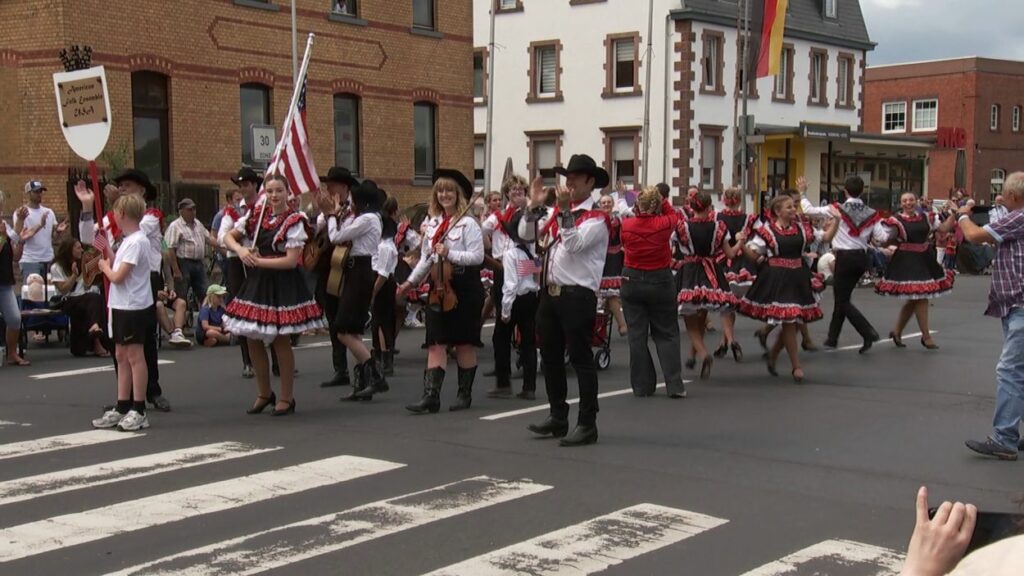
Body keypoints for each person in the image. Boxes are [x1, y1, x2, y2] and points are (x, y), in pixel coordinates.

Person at [524, 154, 611, 447]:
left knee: (580, 358)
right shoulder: (559, 213)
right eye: (567, 177)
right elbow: (526, 235)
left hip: (577, 294)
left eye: (574, 178)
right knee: (550, 358)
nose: (568, 182)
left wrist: (562, 211)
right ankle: (557, 415)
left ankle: (587, 423)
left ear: (590, 181)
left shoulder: (597, 218)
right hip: (550, 292)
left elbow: (573, 245)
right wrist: (532, 207)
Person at [222, 174, 326, 416]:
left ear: (288, 192)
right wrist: (241, 250)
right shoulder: (257, 216)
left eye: (279, 190)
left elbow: (291, 260)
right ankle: (264, 392)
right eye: (270, 191)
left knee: (280, 339)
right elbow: (228, 236)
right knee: (252, 337)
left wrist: (258, 261)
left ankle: (287, 397)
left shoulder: (295, 220)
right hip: (258, 282)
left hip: (282, 282)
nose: (274, 195)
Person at [76, 171, 172, 412]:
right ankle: (125, 397)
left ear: (142, 190)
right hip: (117, 281)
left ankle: (151, 391)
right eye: (120, 186)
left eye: (127, 186)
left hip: (142, 281)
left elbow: (128, 231)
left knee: (143, 340)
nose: (122, 189)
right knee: (118, 343)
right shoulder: (113, 217)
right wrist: (87, 209)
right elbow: (91, 238)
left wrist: (114, 207)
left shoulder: (149, 216)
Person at [398, 169, 485, 414]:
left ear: (458, 194)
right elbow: (427, 259)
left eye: (449, 190)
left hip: (464, 286)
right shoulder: (433, 223)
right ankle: (431, 396)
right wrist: (410, 283)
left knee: (464, 343)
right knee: (435, 341)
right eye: (440, 190)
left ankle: (464, 394)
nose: (444, 194)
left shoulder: (468, 224)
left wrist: (450, 253)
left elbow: (477, 257)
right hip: (438, 286)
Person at [956, 171, 1024, 461]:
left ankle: (1004, 438)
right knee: (1019, 371)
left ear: (1013, 196)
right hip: (1014, 304)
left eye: (1005, 194)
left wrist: (962, 214)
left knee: (1009, 371)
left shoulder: (1019, 217)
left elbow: (973, 235)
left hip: (1020, 304)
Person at [740, 195, 838, 382]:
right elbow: (754, 255)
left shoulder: (802, 228)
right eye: (789, 207)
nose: (793, 210)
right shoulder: (767, 231)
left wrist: (837, 221)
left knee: (792, 321)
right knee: (790, 320)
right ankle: (796, 366)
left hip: (798, 276)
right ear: (778, 211)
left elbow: (826, 237)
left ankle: (774, 355)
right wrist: (742, 245)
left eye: (794, 206)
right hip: (777, 279)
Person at [799, 175, 887, 353]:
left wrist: (803, 193)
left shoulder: (836, 209)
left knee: (842, 299)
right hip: (862, 258)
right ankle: (832, 338)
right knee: (843, 297)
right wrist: (869, 237)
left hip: (844, 258)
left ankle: (867, 332)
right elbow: (883, 237)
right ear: (862, 191)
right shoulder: (871, 213)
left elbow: (809, 210)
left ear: (845, 191)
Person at [91, 194, 154, 432]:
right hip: (120, 305)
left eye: (116, 212)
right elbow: (118, 262)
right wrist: (105, 248)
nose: (114, 216)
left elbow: (118, 276)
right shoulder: (128, 241)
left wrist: (104, 268)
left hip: (133, 306)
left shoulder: (138, 241)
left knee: (135, 356)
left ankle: (139, 408)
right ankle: (122, 405)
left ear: (123, 214)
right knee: (120, 355)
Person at [321, 179, 387, 401]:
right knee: (354, 331)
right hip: (356, 270)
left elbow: (336, 237)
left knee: (342, 330)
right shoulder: (368, 218)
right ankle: (361, 384)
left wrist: (332, 215)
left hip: (359, 271)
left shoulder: (367, 219)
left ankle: (376, 375)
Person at [619, 186, 686, 398]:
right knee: (667, 332)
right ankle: (674, 385)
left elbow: (623, 243)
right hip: (660, 278)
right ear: (657, 205)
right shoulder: (663, 224)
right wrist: (660, 200)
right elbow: (674, 214)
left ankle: (642, 386)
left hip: (632, 278)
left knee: (636, 335)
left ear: (638, 205)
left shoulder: (627, 225)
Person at [675, 191, 743, 380]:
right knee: (702, 312)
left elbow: (672, 249)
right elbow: (730, 254)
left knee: (689, 316)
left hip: (689, 272)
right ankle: (694, 354)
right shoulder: (718, 227)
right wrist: (741, 242)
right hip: (711, 272)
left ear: (691, 207)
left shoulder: (682, 227)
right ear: (709, 207)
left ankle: (703, 354)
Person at [876, 192, 958, 349]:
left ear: (916, 201)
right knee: (920, 297)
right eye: (905, 200)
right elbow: (884, 238)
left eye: (911, 200)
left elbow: (944, 228)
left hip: (924, 259)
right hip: (906, 261)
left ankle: (897, 331)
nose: (908, 203)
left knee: (915, 298)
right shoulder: (896, 221)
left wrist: (954, 214)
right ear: (901, 203)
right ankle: (926, 336)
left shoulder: (926, 217)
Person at [313, 166, 359, 388]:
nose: (328, 189)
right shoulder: (328, 209)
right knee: (332, 318)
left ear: (344, 186)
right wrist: (324, 214)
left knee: (347, 321)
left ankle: (363, 368)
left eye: (332, 185)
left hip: (348, 267)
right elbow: (318, 233)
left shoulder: (355, 208)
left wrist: (332, 214)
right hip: (328, 268)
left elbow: (340, 236)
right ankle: (340, 369)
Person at [483, 175, 528, 394]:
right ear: (507, 193)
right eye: (513, 189)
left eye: (521, 189)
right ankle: (503, 379)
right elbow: (480, 230)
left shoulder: (531, 214)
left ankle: (527, 382)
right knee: (502, 330)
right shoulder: (497, 217)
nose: (517, 192)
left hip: (525, 266)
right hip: (502, 267)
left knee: (526, 328)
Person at [495, 210, 540, 401]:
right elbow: (536, 278)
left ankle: (503, 383)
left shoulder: (511, 254)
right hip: (531, 298)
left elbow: (511, 285)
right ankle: (529, 387)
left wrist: (505, 310)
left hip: (516, 300)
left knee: (500, 339)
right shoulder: (533, 253)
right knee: (529, 343)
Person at [715, 187, 758, 361]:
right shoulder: (748, 219)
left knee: (727, 304)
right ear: (739, 200)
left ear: (724, 200)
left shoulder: (717, 218)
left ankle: (730, 340)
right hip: (744, 263)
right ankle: (724, 342)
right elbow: (758, 240)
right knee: (730, 305)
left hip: (723, 261)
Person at [50, 237, 110, 357]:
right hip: (67, 300)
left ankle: (95, 332)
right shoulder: (56, 267)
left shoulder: (84, 263)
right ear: (69, 250)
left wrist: (91, 276)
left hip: (84, 299)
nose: (81, 250)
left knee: (95, 298)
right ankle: (97, 341)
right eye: (78, 248)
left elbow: (87, 285)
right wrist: (74, 275)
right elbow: (63, 290)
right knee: (94, 299)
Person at [166, 198, 216, 310]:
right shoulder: (175, 226)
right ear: (181, 211)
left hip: (198, 263)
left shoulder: (198, 224)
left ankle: (205, 316)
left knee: (205, 292)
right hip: (183, 263)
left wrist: (223, 245)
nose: (193, 212)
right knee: (182, 294)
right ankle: (182, 317)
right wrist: (176, 269)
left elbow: (209, 238)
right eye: (189, 210)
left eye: (194, 209)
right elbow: (170, 248)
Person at [371, 198, 400, 377]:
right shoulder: (384, 245)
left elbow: (382, 273)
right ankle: (382, 354)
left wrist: (373, 292)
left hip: (383, 284)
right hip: (384, 283)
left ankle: (385, 357)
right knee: (381, 321)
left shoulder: (385, 247)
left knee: (382, 322)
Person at [13, 180, 63, 281]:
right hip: (30, 260)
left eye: (40, 191)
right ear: (28, 193)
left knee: (49, 290)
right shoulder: (22, 212)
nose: (39, 194)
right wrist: (21, 220)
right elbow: (18, 235)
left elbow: (53, 238)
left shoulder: (49, 212)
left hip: (48, 259)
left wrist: (58, 232)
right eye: (36, 192)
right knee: (33, 290)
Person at [597, 195, 628, 337]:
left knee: (611, 294)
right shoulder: (596, 219)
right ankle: (602, 329)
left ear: (613, 203)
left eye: (609, 202)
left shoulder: (617, 219)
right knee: (604, 296)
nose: (606, 204)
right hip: (599, 258)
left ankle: (622, 324)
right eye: (603, 202)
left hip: (614, 258)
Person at [0, 211, 27, 366]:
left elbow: (15, 256)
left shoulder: (5, 229)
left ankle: (11, 353)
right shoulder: (3, 233)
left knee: (14, 319)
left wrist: (21, 242)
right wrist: (3, 237)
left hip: (5, 283)